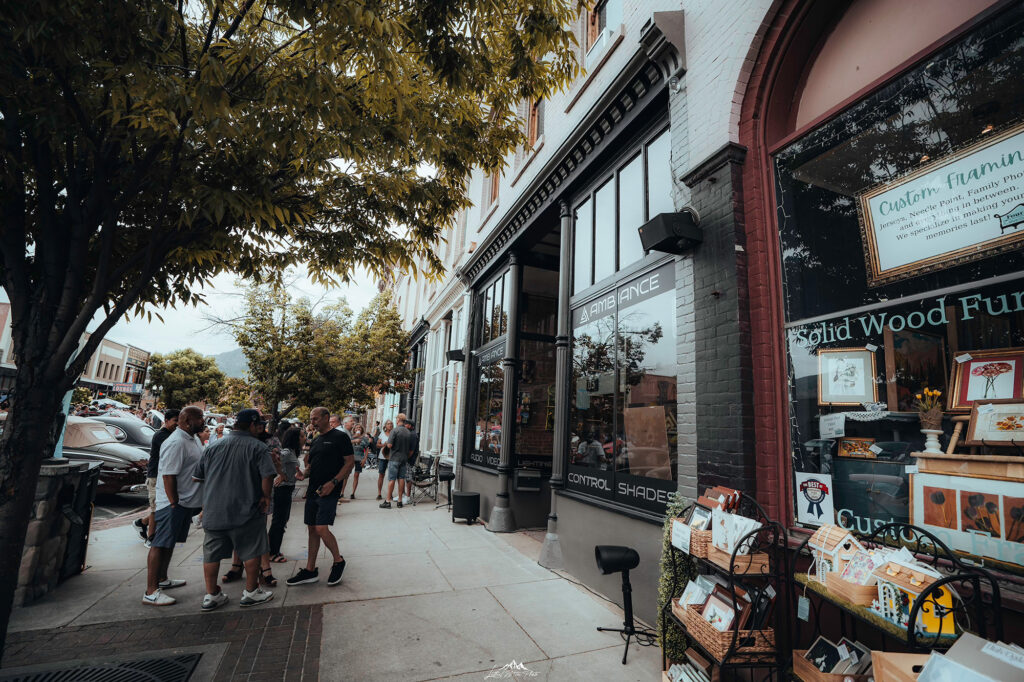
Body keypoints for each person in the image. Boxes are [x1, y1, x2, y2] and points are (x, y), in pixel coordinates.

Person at [191, 408, 277, 611]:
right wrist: (265, 496)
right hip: (246, 509)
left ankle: (211, 595)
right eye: (259, 425)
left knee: (211, 554)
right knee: (251, 551)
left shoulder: (213, 446)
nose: (261, 429)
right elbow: (268, 476)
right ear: (252, 425)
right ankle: (251, 592)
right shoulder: (258, 447)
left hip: (214, 510)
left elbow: (197, 477)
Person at [142, 406, 205, 606]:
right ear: (187, 421)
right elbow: (168, 475)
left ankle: (162, 579)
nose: (203, 421)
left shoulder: (192, 438)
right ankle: (151, 591)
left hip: (184, 502)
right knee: (159, 544)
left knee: (169, 543)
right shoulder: (176, 442)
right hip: (171, 503)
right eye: (200, 418)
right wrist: (173, 502)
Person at [286, 406, 353, 587]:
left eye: (315, 418)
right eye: (311, 419)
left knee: (322, 528)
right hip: (313, 490)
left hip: (329, 490)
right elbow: (312, 465)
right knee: (312, 529)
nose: (312, 422)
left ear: (326, 417)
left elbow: (349, 463)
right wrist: (303, 475)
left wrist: (334, 482)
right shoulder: (315, 440)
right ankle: (310, 570)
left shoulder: (340, 437)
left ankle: (338, 561)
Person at [135, 408, 180, 545]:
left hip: (164, 476)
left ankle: (141, 523)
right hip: (155, 476)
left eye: (179, 420)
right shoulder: (162, 435)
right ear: (166, 421)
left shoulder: (172, 434)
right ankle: (151, 539)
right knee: (156, 509)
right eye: (175, 421)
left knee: (161, 507)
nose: (177, 424)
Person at [269, 422, 304, 563]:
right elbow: (272, 457)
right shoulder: (287, 452)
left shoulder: (292, 452)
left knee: (282, 520)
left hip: (288, 489)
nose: (304, 438)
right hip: (282, 489)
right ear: (295, 438)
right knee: (279, 521)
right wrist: (281, 475)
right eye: (301, 436)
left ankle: (273, 549)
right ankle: (272, 552)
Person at [380, 413, 412, 509]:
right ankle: (400, 501)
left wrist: (387, 445)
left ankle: (388, 501)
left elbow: (389, 445)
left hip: (394, 458)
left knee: (392, 479)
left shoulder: (394, 431)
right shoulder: (407, 432)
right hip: (404, 458)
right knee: (401, 478)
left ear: (398, 420)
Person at [343, 424, 370, 500]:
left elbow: (367, 449)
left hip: (360, 458)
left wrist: (365, 459)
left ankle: (353, 493)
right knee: (346, 475)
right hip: (350, 458)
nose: (358, 429)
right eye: (357, 428)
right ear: (354, 429)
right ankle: (342, 492)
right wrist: (354, 438)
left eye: (360, 428)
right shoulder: (350, 436)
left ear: (362, 430)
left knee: (356, 475)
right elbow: (345, 444)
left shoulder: (365, 438)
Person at [402, 419, 420, 506]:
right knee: (406, 477)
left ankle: (408, 497)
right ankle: (404, 495)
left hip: (410, 460)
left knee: (408, 478)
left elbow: (411, 451)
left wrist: (406, 458)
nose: (404, 425)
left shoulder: (413, 435)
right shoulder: (411, 434)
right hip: (409, 459)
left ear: (410, 426)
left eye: (406, 424)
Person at [375, 420, 393, 501]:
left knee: (391, 476)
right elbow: (377, 445)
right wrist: (383, 444)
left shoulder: (394, 434)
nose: (390, 425)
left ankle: (390, 494)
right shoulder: (382, 434)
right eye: (388, 424)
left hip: (392, 457)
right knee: (381, 475)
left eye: (391, 424)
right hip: (382, 456)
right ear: (385, 426)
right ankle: (379, 493)